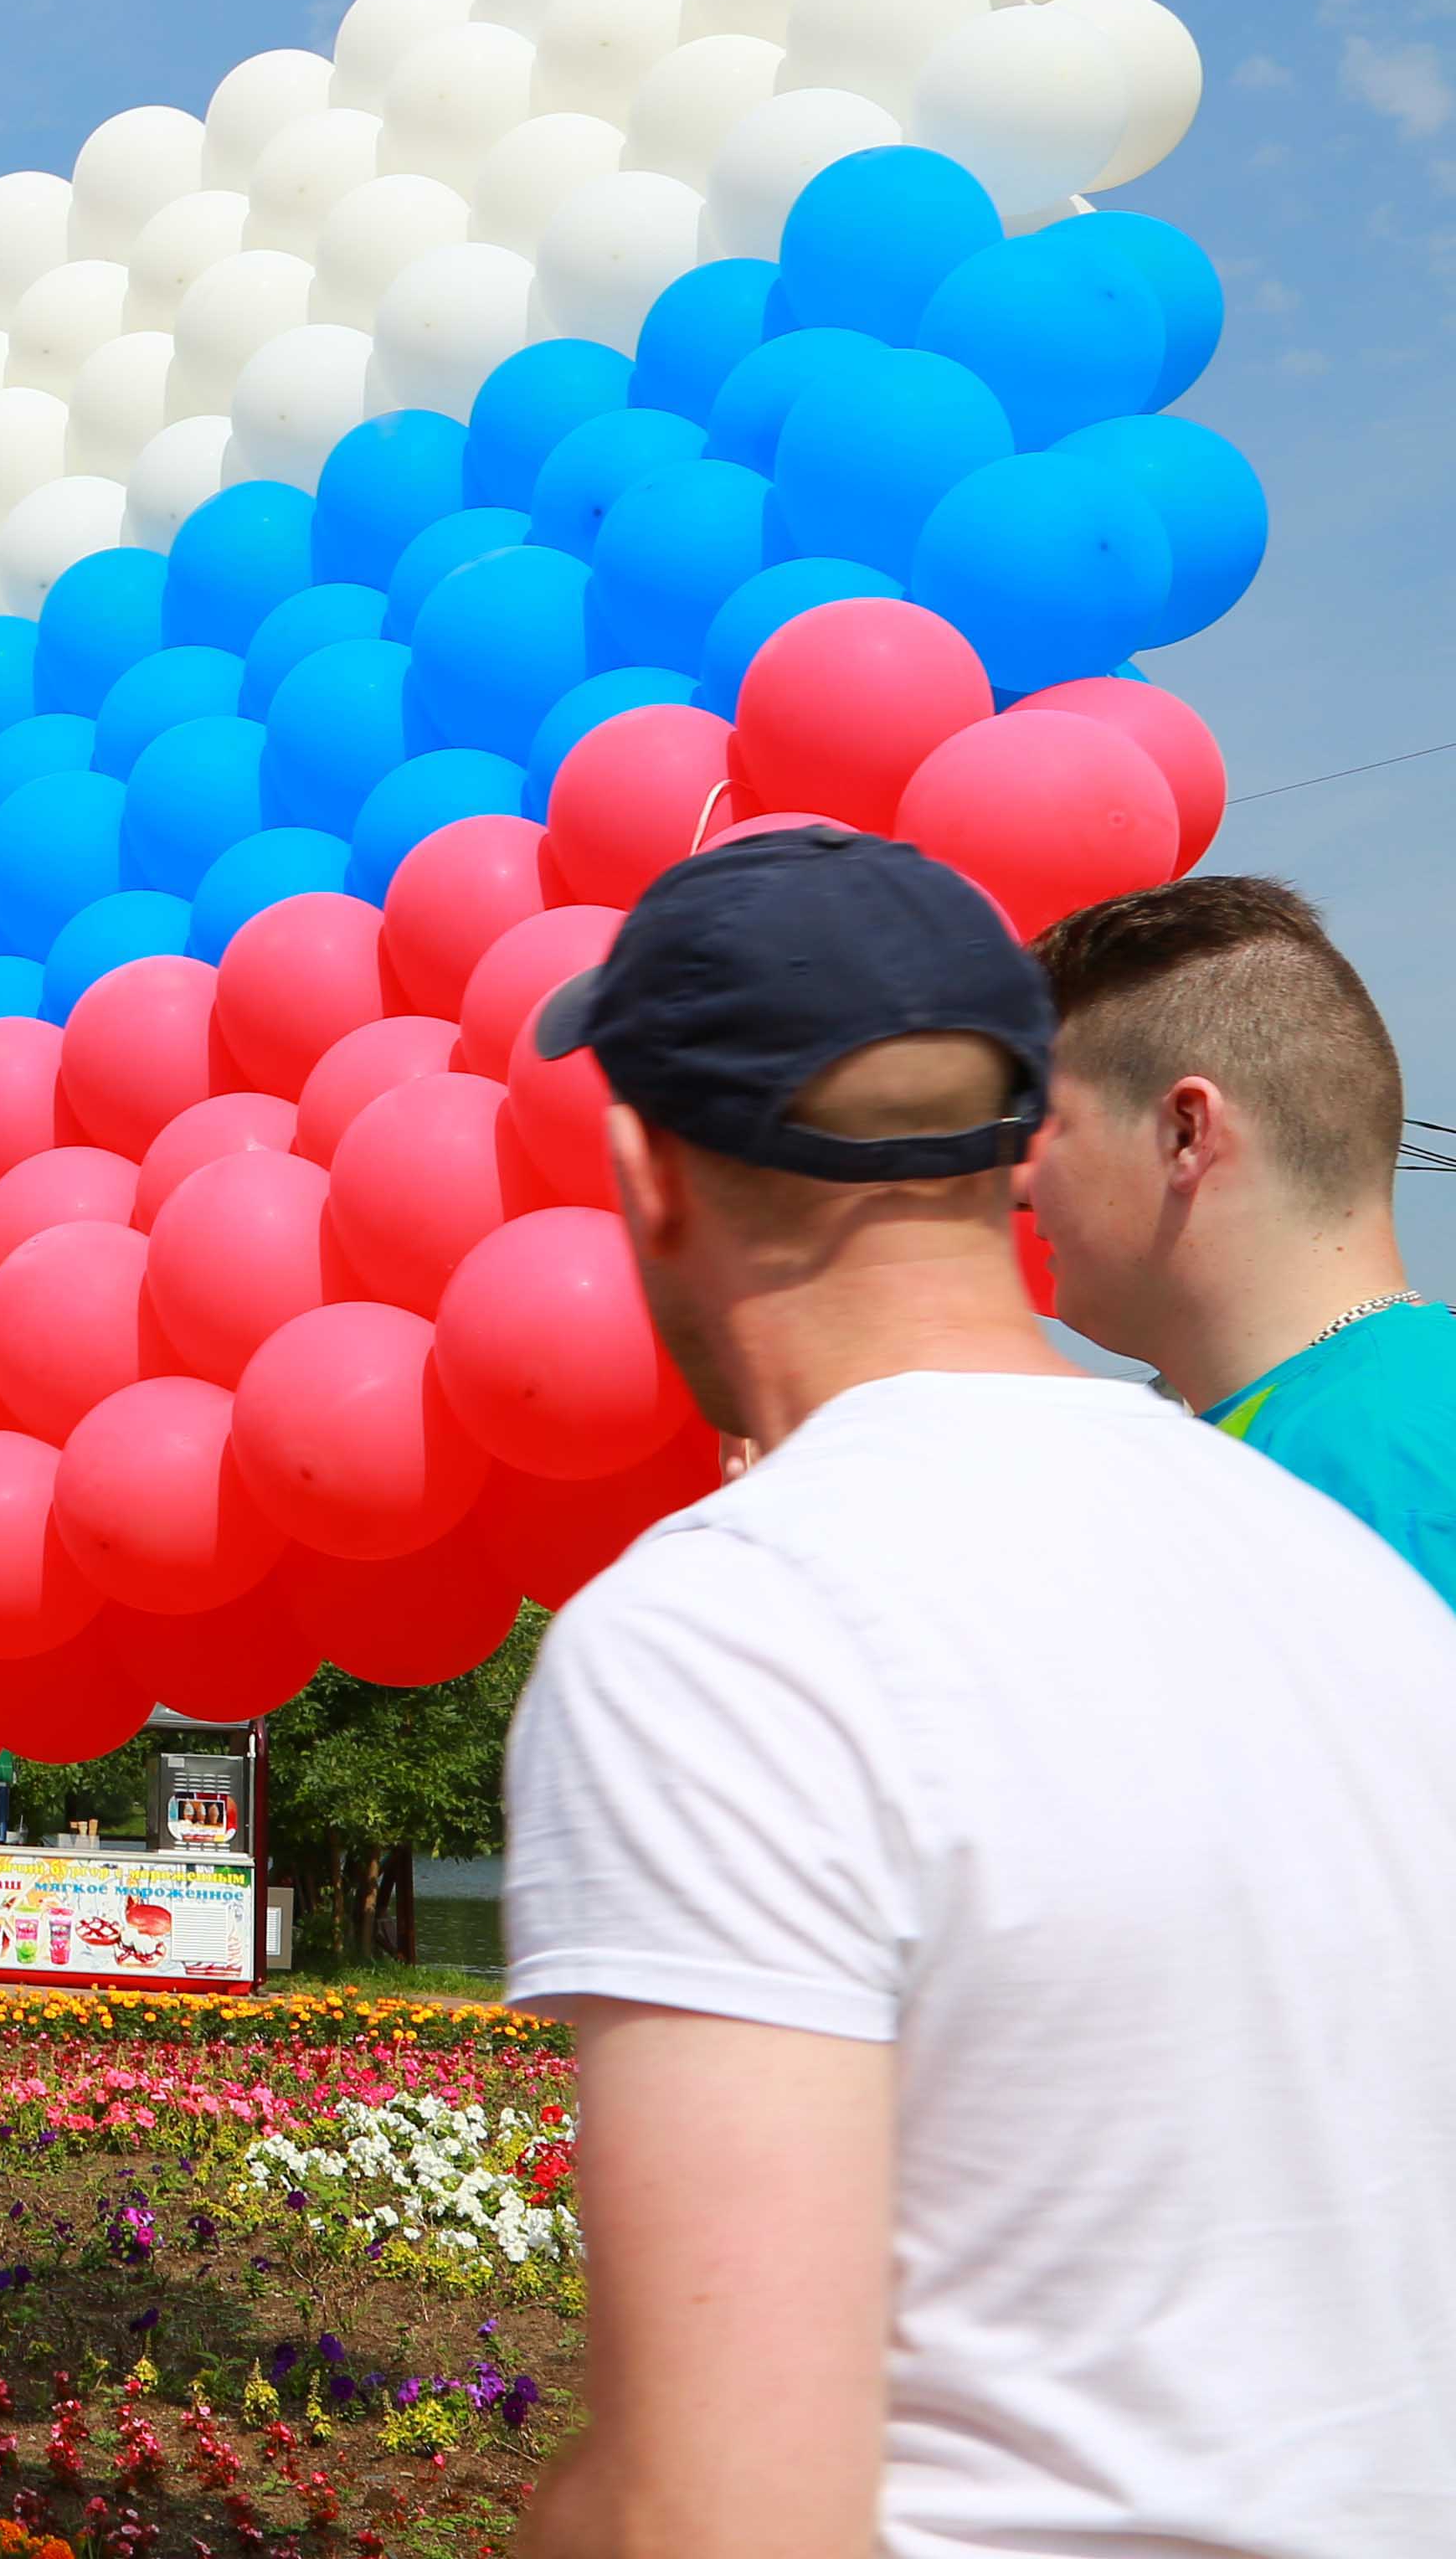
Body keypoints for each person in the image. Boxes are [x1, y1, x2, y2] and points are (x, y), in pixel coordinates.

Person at [499, 826, 1456, 2557]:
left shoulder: (731, 1631)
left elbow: (715, 2511)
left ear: (644, 1171)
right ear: (1004, 1153)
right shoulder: (1342, 1581)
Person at [1026, 873, 1453, 1604]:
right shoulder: (1365, 1428)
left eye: (1047, 1126)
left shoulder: (1360, 1476)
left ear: (1186, 1133)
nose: (1020, 1179)